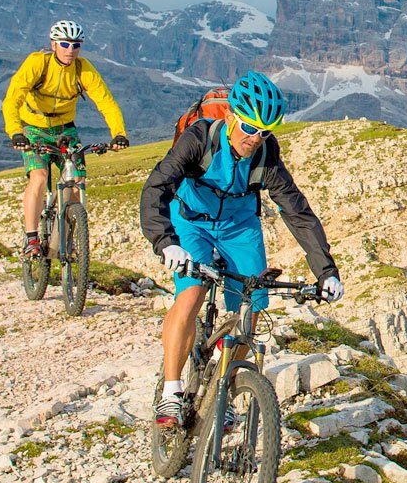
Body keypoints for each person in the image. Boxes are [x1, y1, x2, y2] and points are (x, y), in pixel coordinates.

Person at [138, 70, 343, 428]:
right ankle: (171, 392)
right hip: (190, 221)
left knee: (251, 308)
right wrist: (166, 242)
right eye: (249, 128)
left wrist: (326, 271)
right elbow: (156, 188)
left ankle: (225, 386)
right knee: (191, 294)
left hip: (239, 226)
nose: (255, 138)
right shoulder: (199, 138)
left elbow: (297, 212)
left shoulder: (266, 155)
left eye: (264, 132)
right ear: (232, 117)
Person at [3, 20, 130, 257]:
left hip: (64, 129)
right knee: (39, 178)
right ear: (54, 44)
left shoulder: (83, 69)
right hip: (33, 127)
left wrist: (119, 133)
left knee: (76, 183)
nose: (70, 50)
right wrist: (15, 131)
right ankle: (32, 239)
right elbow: (13, 98)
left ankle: (66, 237)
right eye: (64, 44)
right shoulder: (37, 63)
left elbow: (106, 102)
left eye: (76, 45)